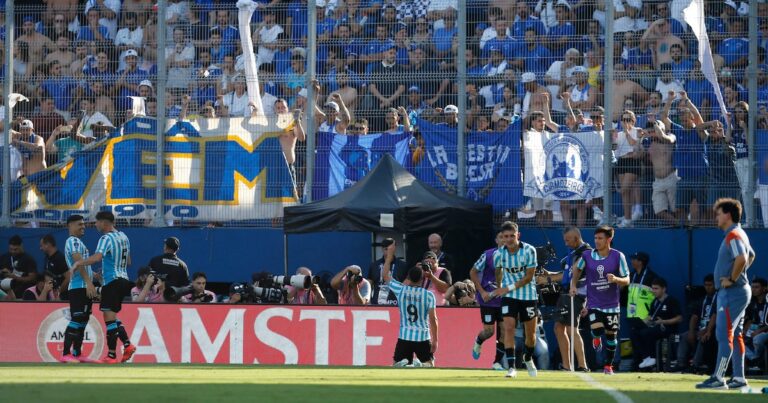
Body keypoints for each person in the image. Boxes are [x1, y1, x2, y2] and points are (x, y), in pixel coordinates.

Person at [697, 198, 756, 389]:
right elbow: (751, 256)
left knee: (724, 335)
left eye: (718, 213)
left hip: (732, 292)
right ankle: (738, 378)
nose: (716, 217)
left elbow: (741, 258)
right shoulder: (740, 233)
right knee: (736, 334)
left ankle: (719, 377)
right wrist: (738, 275)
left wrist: (732, 278)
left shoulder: (733, 235)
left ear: (728, 215)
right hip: (738, 292)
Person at [72, 211, 136, 364]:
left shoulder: (105, 238)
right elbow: (129, 262)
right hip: (124, 280)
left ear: (104, 222)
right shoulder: (124, 236)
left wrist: (79, 263)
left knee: (108, 318)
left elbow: (97, 258)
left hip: (112, 281)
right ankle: (127, 345)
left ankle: (112, 356)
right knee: (112, 316)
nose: (95, 225)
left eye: (97, 222)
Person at [570, 225, 630, 375]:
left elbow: (627, 279)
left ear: (609, 239)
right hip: (594, 303)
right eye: (595, 238)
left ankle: (608, 366)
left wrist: (616, 279)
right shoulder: (587, 256)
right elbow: (577, 269)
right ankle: (596, 338)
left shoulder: (618, 256)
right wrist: (573, 285)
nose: (597, 241)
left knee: (611, 337)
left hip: (612, 305)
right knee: (596, 329)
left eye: (600, 238)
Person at [488, 221, 539, 378]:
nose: (508, 239)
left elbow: (529, 277)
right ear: (502, 238)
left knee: (530, 336)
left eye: (512, 236)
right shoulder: (498, 254)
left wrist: (506, 288)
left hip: (528, 296)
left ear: (518, 235)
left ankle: (528, 357)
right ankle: (511, 367)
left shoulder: (529, 250)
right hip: (509, 297)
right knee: (508, 328)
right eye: (505, 236)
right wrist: (500, 287)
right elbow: (498, 270)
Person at [538, 226, 590, 372]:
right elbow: (565, 273)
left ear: (576, 238)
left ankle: (582, 366)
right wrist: (549, 274)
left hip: (576, 295)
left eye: (568, 240)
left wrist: (547, 279)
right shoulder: (573, 252)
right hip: (565, 294)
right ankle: (567, 365)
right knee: (558, 328)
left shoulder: (585, 253)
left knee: (572, 329)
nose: (565, 243)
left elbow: (574, 273)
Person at [383, 263, 438, 367]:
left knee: (395, 365)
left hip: (404, 336)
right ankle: (422, 365)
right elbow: (433, 319)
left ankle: (403, 364)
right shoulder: (429, 295)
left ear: (408, 277)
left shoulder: (400, 290)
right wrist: (435, 340)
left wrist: (390, 255)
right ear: (423, 279)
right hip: (422, 337)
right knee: (430, 365)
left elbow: (385, 276)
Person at [61, 215, 98, 363]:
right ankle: (65, 354)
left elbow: (82, 264)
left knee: (83, 319)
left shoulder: (78, 242)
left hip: (82, 286)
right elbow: (78, 262)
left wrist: (94, 275)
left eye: (83, 224)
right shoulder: (73, 241)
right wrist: (89, 283)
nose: (83, 227)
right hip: (79, 287)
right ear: (70, 225)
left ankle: (77, 353)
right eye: (79, 224)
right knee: (77, 318)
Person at [470, 232, 507, 371]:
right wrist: (482, 292)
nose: (504, 240)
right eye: (501, 237)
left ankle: (496, 362)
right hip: (488, 301)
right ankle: (478, 341)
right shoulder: (488, 255)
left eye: (507, 237)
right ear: (496, 240)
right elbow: (472, 272)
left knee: (505, 331)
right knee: (489, 331)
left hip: (505, 301)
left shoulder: (515, 257)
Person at [633, 277, 683, 370]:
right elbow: (650, 317)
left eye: (656, 288)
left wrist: (663, 321)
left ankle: (653, 357)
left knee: (647, 333)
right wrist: (640, 322)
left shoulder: (672, 301)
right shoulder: (654, 302)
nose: (653, 291)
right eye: (652, 288)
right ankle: (646, 357)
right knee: (635, 332)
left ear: (664, 289)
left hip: (668, 328)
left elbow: (679, 318)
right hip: (656, 326)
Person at [674, 274, 718, 373]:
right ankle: (681, 363)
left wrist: (707, 330)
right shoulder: (702, 299)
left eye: (710, 285)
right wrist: (691, 331)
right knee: (684, 336)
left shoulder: (719, 298)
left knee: (703, 337)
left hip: (713, 329)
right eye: (706, 285)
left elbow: (716, 316)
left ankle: (695, 365)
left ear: (716, 285)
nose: (708, 287)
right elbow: (694, 316)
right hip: (700, 328)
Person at [626, 251, 658, 368]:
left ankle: (647, 362)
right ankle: (638, 362)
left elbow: (657, 296)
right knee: (634, 337)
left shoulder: (652, 277)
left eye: (635, 259)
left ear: (641, 262)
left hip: (645, 315)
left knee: (644, 337)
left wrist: (651, 314)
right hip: (632, 315)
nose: (632, 261)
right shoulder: (631, 275)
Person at [368, 238, 408, 305]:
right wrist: (368, 300)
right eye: (385, 248)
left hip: (396, 304)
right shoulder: (374, 265)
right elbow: (369, 283)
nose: (387, 250)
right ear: (382, 249)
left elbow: (406, 285)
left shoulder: (403, 265)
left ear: (394, 248)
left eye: (389, 248)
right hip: (376, 304)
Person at [40, 234, 70, 300]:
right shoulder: (47, 258)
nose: (40, 248)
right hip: (51, 296)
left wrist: (59, 291)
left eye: (41, 246)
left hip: (63, 297)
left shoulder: (60, 258)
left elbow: (69, 278)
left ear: (48, 244)